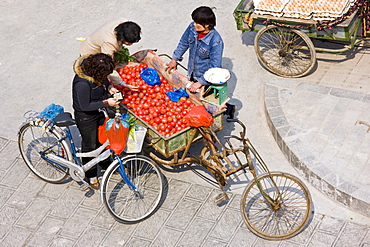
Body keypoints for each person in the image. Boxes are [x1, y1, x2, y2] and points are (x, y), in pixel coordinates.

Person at [165, 6, 235, 119]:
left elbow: (215, 67)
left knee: (210, 101)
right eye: (194, 21)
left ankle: (229, 109)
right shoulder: (192, 29)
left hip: (207, 77)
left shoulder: (216, 42)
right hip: (193, 70)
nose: (194, 24)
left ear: (207, 25)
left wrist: (201, 82)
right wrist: (174, 59)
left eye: (198, 23)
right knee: (195, 97)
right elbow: (183, 43)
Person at [72, 53, 120, 189]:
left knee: (102, 140)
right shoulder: (82, 83)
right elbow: (84, 106)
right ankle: (91, 175)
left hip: (98, 112)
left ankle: (105, 163)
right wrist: (106, 102)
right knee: (90, 145)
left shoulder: (96, 73)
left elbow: (103, 80)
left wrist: (109, 87)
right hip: (86, 117)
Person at [80, 18, 141, 88]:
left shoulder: (124, 23)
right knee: (94, 77)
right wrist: (121, 83)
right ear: (122, 38)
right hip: (90, 52)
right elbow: (106, 65)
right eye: (129, 42)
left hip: (100, 44)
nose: (130, 44)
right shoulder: (110, 43)